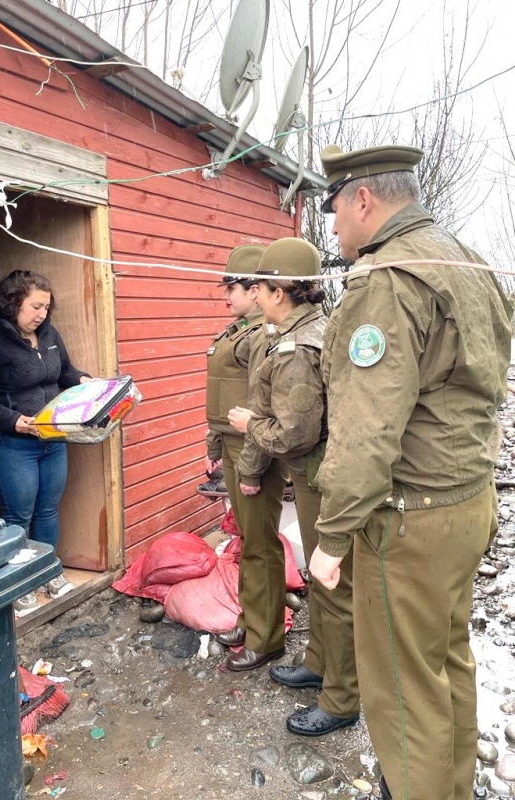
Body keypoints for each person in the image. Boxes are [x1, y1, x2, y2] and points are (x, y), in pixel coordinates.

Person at [310, 144, 512, 799]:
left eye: (335, 209)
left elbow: (369, 433)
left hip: (410, 518)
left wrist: (333, 537)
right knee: (446, 664)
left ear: (363, 199)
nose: (334, 227)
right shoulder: (466, 261)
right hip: (466, 500)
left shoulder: (389, 280)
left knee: (402, 694)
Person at [229, 238, 360, 735]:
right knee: (321, 579)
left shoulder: (297, 347)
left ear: (279, 292)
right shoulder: (303, 331)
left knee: (332, 581)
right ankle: (320, 665)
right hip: (315, 474)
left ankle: (341, 696)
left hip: (317, 474)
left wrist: (249, 428)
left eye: (260, 288)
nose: (255, 296)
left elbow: (295, 432)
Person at [0, 270, 93, 613]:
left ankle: (47, 571)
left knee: (47, 510)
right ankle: (18, 583)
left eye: (46, 307)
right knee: (18, 516)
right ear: (13, 302)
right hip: (14, 445)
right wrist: (14, 420)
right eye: (35, 306)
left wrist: (85, 380)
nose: (42, 314)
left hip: (53, 437)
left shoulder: (49, 334)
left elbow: (64, 373)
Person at [205, 245, 288, 671]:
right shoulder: (240, 330)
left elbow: (261, 409)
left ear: (257, 290)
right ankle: (250, 621)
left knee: (260, 546)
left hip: (252, 451)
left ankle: (266, 637)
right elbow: (224, 398)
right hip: (236, 449)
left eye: (233, 287)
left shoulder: (262, 337)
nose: (226, 296)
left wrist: (251, 468)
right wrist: (215, 450)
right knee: (248, 543)